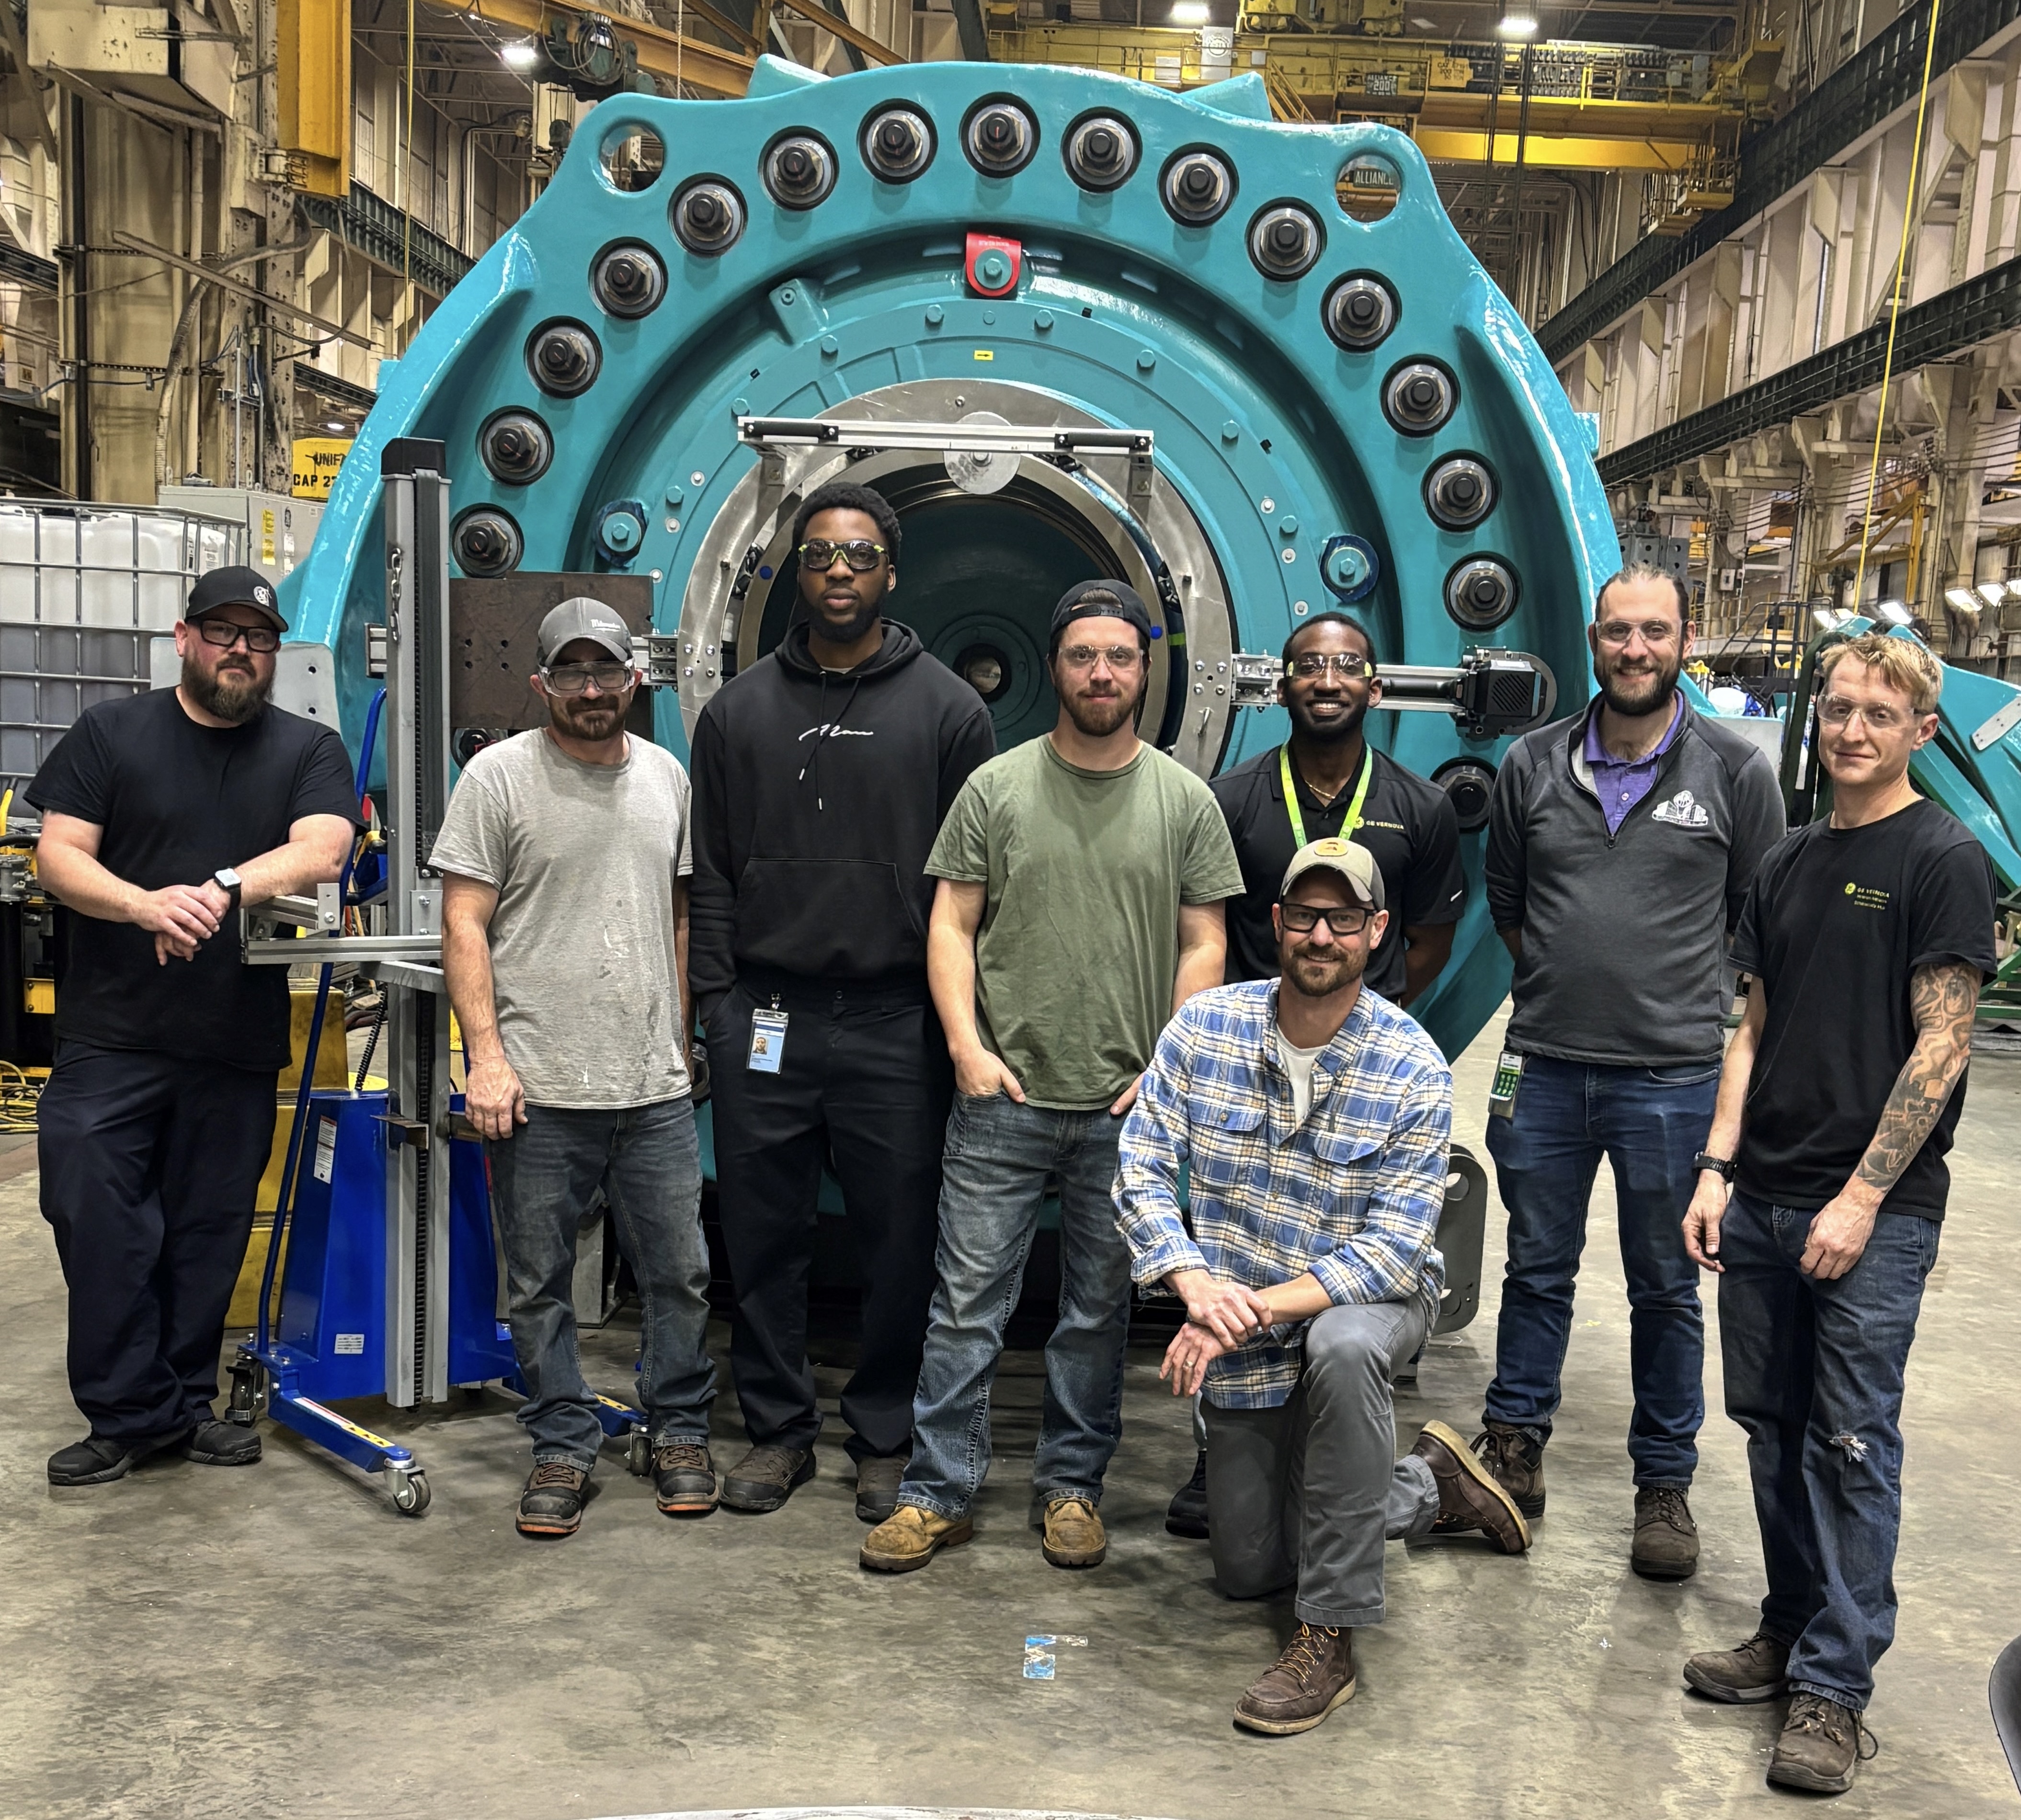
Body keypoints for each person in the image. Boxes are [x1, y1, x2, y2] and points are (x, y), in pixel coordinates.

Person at [858, 580, 1243, 1577]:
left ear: (1145, 669)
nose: (1102, 673)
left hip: (1125, 1111)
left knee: (1094, 1312)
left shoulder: (1183, 799)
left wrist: (1165, 1063)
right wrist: (966, 1048)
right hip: (1004, 1100)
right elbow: (951, 922)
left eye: (1119, 656)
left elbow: (1205, 942)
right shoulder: (997, 788)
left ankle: (1071, 1488)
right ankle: (935, 1491)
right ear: (1056, 666)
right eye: (1083, 656)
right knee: (965, 1304)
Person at [1115, 837, 1531, 1735]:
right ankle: (1428, 1484)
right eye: (1303, 914)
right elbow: (1141, 1165)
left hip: (1369, 1305)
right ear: (1275, 923)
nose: (1320, 935)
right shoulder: (1204, 1029)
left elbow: (1392, 1250)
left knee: (1342, 1350)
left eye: (1344, 918)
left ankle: (1328, 1636)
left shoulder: (1412, 1063)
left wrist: (1243, 1312)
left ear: (1377, 932)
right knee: (1248, 1570)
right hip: (1245, 1322)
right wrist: (1192, 1278)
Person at [1681, 632, 1994, 1797]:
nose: (1851, 729)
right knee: (1772, 1429)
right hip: (1760, 1195)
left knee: (1851, 1441)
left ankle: (1834, 1690)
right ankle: (1791, 1626)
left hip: (1872, 1211)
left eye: (1878, 713)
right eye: (1838, 707)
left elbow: (1944, 1042)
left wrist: (1862, 1196)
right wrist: (1716, 1167)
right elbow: (1750, 1027)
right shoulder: (1791, 858)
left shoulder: (1942, 859)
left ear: (1921, 731)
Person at [690, 482, 996, 1521]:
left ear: (890, 572)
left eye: (858, 556)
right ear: (794, 571)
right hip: (766, 1017)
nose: (838, 573)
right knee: (762, 1236)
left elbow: (972, 886)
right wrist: (719, 1008)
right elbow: (715, 874)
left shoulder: (951, 711)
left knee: (900, 1240)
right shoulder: (736, 713)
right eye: (820, 555)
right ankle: (777, 1432)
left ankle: (882, 1434)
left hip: (892, 1022)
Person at [1474, 564, 1785, 1578]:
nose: (1635, 649)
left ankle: (1663, 1483)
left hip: (1672, 1081)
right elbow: (1509, 901)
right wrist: (1571, 987)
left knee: (1664, 1287)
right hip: (1545, 1069)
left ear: (1683, 640)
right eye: (1618, 632)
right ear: (1593, 641)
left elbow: (1758, 922)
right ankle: (1511, 1452)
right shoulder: (1531, 764)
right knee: (1535, 1269)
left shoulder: (1736, 772)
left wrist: (1679, 1013)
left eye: (1655, 631)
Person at [30, 565, 358, 1485]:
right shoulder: (111, 733)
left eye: (258, 636)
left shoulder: (307, 748)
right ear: (183, 639)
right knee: (96, 1218)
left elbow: (324, 847)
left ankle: (178, 1407)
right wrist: (144, 907)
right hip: (113, 1038)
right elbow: (60, 856)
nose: (241, 651)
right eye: (222, 631)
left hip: (233, 1041)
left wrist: (217, 890)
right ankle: (125, 1411)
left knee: (208, 1231)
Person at [1164, 608, 1466, 1536]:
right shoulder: (1233, 798)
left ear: (1374, 688)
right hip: (1251, 1068)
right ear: (1277, 685)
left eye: (1346, 666)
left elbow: (1427, 939)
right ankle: (1226, 1455)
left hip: (1352, 1076)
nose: (1326, 680)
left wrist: (1352, 1022)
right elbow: (1207, 935)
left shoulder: (1419, 808)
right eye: (1307, 666)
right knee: (1233, 1253)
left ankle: (1352, 1473)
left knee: (1335, 1292)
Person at [436, 598, 716, 1539]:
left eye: (608, 672)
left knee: (679, 1274)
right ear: (541, 683)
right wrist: (485, 1058)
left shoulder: (667, 777)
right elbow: (463, 922)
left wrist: (678, 1041)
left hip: (653, 1090)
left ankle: (678, 1428)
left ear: (637, 676)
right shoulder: (498, 778)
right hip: (538, 1088)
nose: (592, 689)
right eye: (573, 672)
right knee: (539, 1284)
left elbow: (674, 917)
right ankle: (561, 1440)